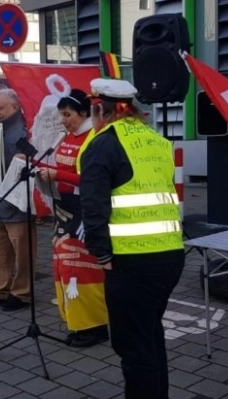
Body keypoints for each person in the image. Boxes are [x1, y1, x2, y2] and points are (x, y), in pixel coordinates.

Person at [78, 78, 184, 399]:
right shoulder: (158, 141)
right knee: (150, 336)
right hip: (169, 256)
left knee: (133, 348)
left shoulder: (103, 144)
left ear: (99, 109)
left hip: (130, 261)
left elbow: (93, 207)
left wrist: (102, 255)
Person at [36, 88, 108, 347]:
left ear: (83, 112)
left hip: (84, 213)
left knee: (81, 270)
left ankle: (95, 326)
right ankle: (76, 322)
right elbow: (62, 169)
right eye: (61, 115)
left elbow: (92, 180)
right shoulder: (66, 137)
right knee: (62, 268)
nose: (63, 120)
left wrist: (57, 176)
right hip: (63, 212)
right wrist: (38, 166)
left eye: (67, 114)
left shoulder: (93, 138)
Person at [0, 89, 37, 312]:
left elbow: (35, 160)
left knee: (22, 252)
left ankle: (22, 293)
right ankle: (0, 289)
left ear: (14, 106)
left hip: (17, 202)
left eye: (0, 108)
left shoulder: (26, 131)